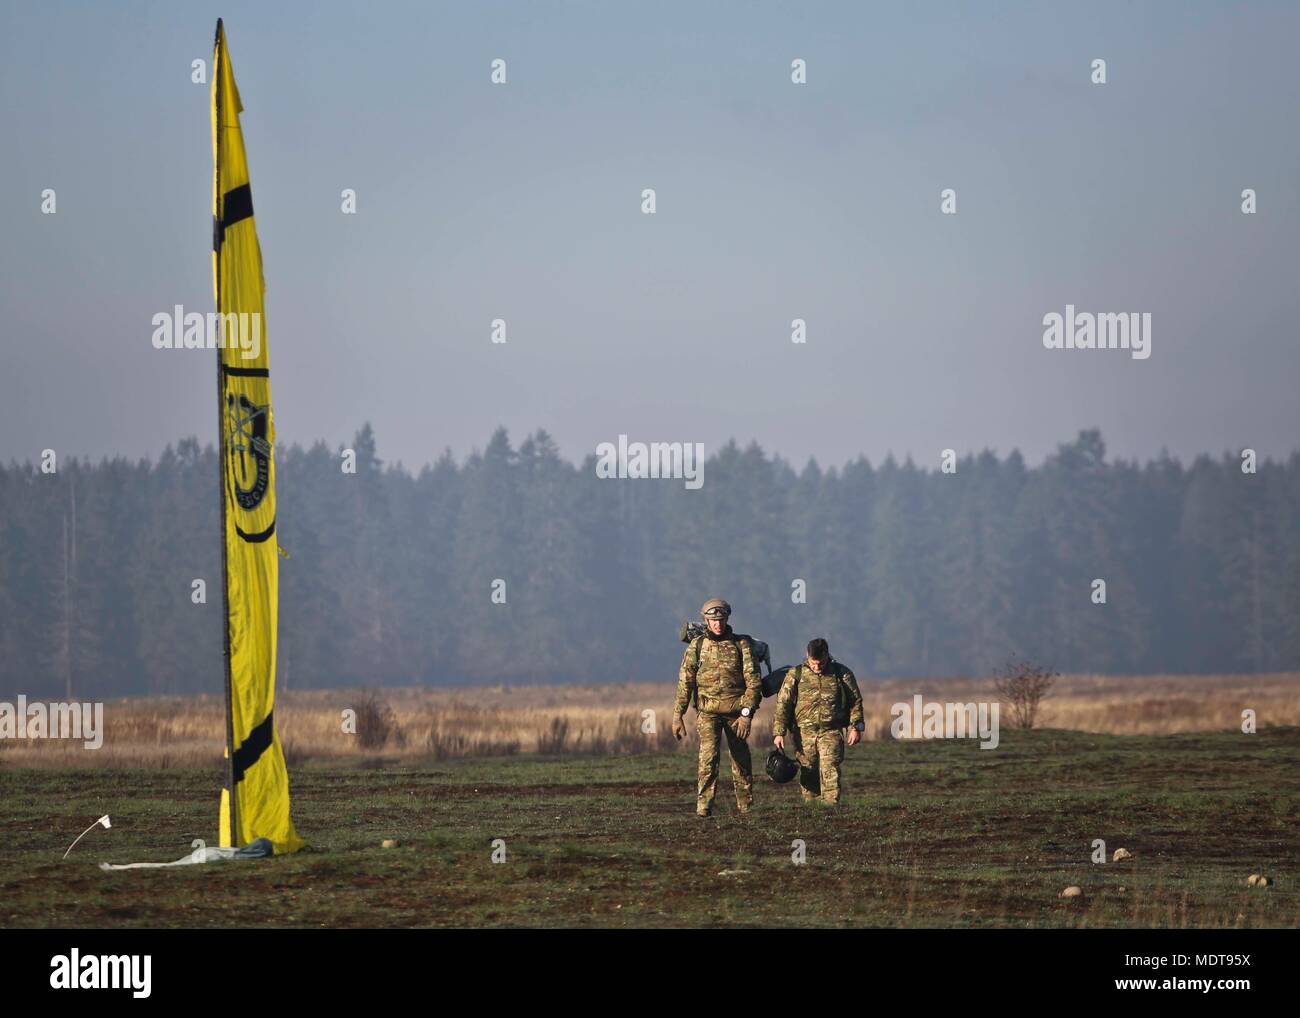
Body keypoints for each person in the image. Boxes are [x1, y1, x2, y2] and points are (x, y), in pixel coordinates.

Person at [672, 598, 763, 817]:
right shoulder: (697, 646)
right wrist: (678, 715)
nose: (718, 624)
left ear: (727, 619)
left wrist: (746, 715)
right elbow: (686, 682)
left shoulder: (742, 645)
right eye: (713, 620)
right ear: (705, 620)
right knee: (708, 759)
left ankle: (746, 808)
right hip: (708, 713)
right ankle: (704, 808)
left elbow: (754, 683)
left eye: (721, 619)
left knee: (741, 760)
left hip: (736, 714)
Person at [772, 638, 864, 806]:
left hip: (831, 731)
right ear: (807, 656)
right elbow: (783, 704)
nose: (816, 667)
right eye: (813, 663)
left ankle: (830, 808)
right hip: (803, 733)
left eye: (820, 663)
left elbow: (855, 701)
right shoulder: (795, 674)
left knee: (830, 768)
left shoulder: (841, 673)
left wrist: (855, 727)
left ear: (827, 656)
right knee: (808, 770)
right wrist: (779, 732)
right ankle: (813, 809)